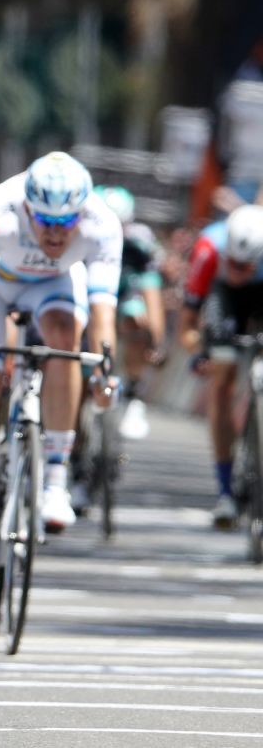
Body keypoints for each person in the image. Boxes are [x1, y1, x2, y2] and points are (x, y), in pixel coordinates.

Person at [0, 152, 121, 594]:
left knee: (65, 337)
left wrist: (105, 374)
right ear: (27, 209)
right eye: (45, 222)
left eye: (66, 223)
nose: (56, 233)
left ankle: (55, 476)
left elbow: (102, 314)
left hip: (54, 287)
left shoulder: (102, 224)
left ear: (82, 213)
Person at [178, 203, 263, 529]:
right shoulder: (209, 249)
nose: (237, 270)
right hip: (223, 298)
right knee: (222, 377)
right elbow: (187, 324)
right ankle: (226, 491)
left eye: (245, 266)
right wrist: (201, 352)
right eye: (233, 263)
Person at [97, 185, 166, 441]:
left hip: (123, 294)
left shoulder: (139, 244)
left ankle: (134, 392)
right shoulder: (79, 235)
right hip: (91, 293)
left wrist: (155, 341)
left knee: (136, 319)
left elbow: (151, 292)